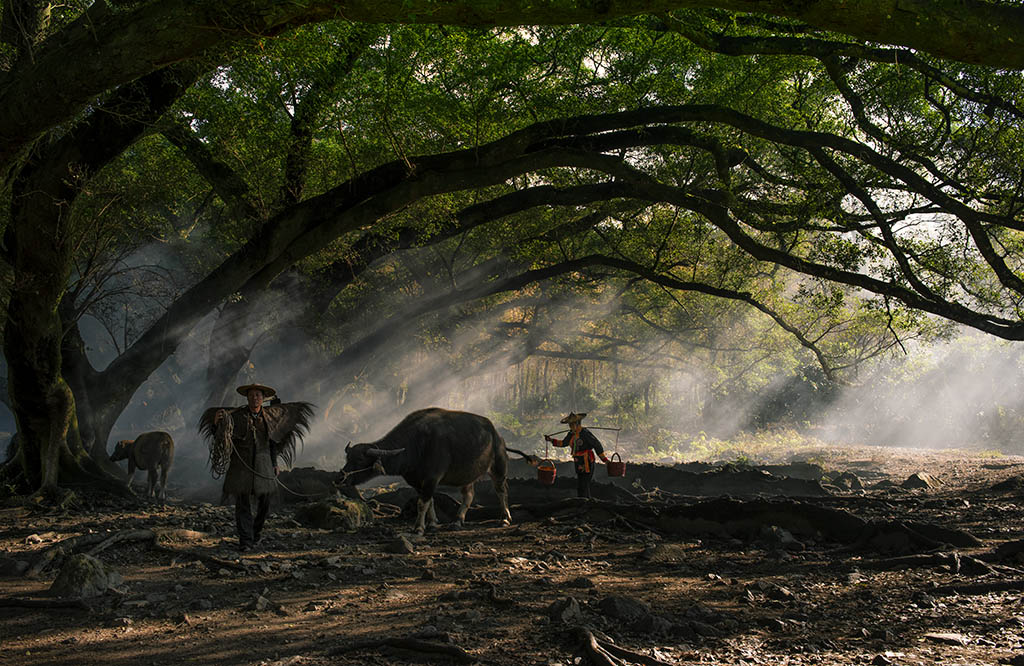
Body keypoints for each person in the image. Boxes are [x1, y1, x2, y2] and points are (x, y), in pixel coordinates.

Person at [215, 383, 282, 552]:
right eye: (251, 395)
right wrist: (217, 423)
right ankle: (245, 541)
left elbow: (273, 442)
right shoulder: (236, 416)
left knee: (265, 501)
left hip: (264, 462)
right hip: (241, 464)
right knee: (243, 502)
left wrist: (274, 463)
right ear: (247, 397)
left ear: (263, 398)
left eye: (258, 395)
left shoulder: (268, 417)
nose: (255, 398)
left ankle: (256, 533)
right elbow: (221, 434)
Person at [545, 412, 609, 499]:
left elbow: (597, 445)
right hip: (578, 462)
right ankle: (582, 501)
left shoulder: (585, 433)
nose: (570, 427)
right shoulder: (571, 434)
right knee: (580, 484)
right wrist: (551, 440)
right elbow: (564, 443)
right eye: (569, 425)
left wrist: (605, 460)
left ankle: (586, 502)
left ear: (577, 424)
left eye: (572, 424)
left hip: (587, 462)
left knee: (584, 484)